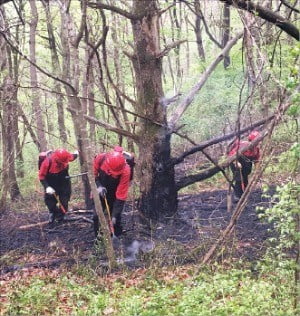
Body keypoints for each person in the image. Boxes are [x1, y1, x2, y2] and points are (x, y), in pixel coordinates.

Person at [92, 146, 132, 237]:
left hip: (115, 192)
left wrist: (114, 216)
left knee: (116, 218)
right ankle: (99, 239)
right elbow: (92, 174)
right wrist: (98, 186)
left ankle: (116, 236)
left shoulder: (126, 171)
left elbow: (121, 195)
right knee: (96, 216)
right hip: (99, 189)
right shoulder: (100, 158)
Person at [39, 148, 79, 224]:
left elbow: (73, 157)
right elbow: (41, 177)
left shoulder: (66, 157)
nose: (64, 163)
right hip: (51, 183)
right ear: (57, 159)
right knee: (50, 203)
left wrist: (77, 153)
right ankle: (53, 213)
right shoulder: (47, 162)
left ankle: (61, 218)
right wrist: (47, 187)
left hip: (64, 182)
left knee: (64, 201)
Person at [228, 130, 260, 200]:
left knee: (245, 176)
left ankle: (244, 193)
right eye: (256, 141)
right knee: (239, 178)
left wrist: (257, 171)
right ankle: (237, 196)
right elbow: (232, 155)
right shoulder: (242, 145)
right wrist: (236, 162)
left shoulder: (256, 149)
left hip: (246, 163)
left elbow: (256, 160)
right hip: (235, 161)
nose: (258, 142)